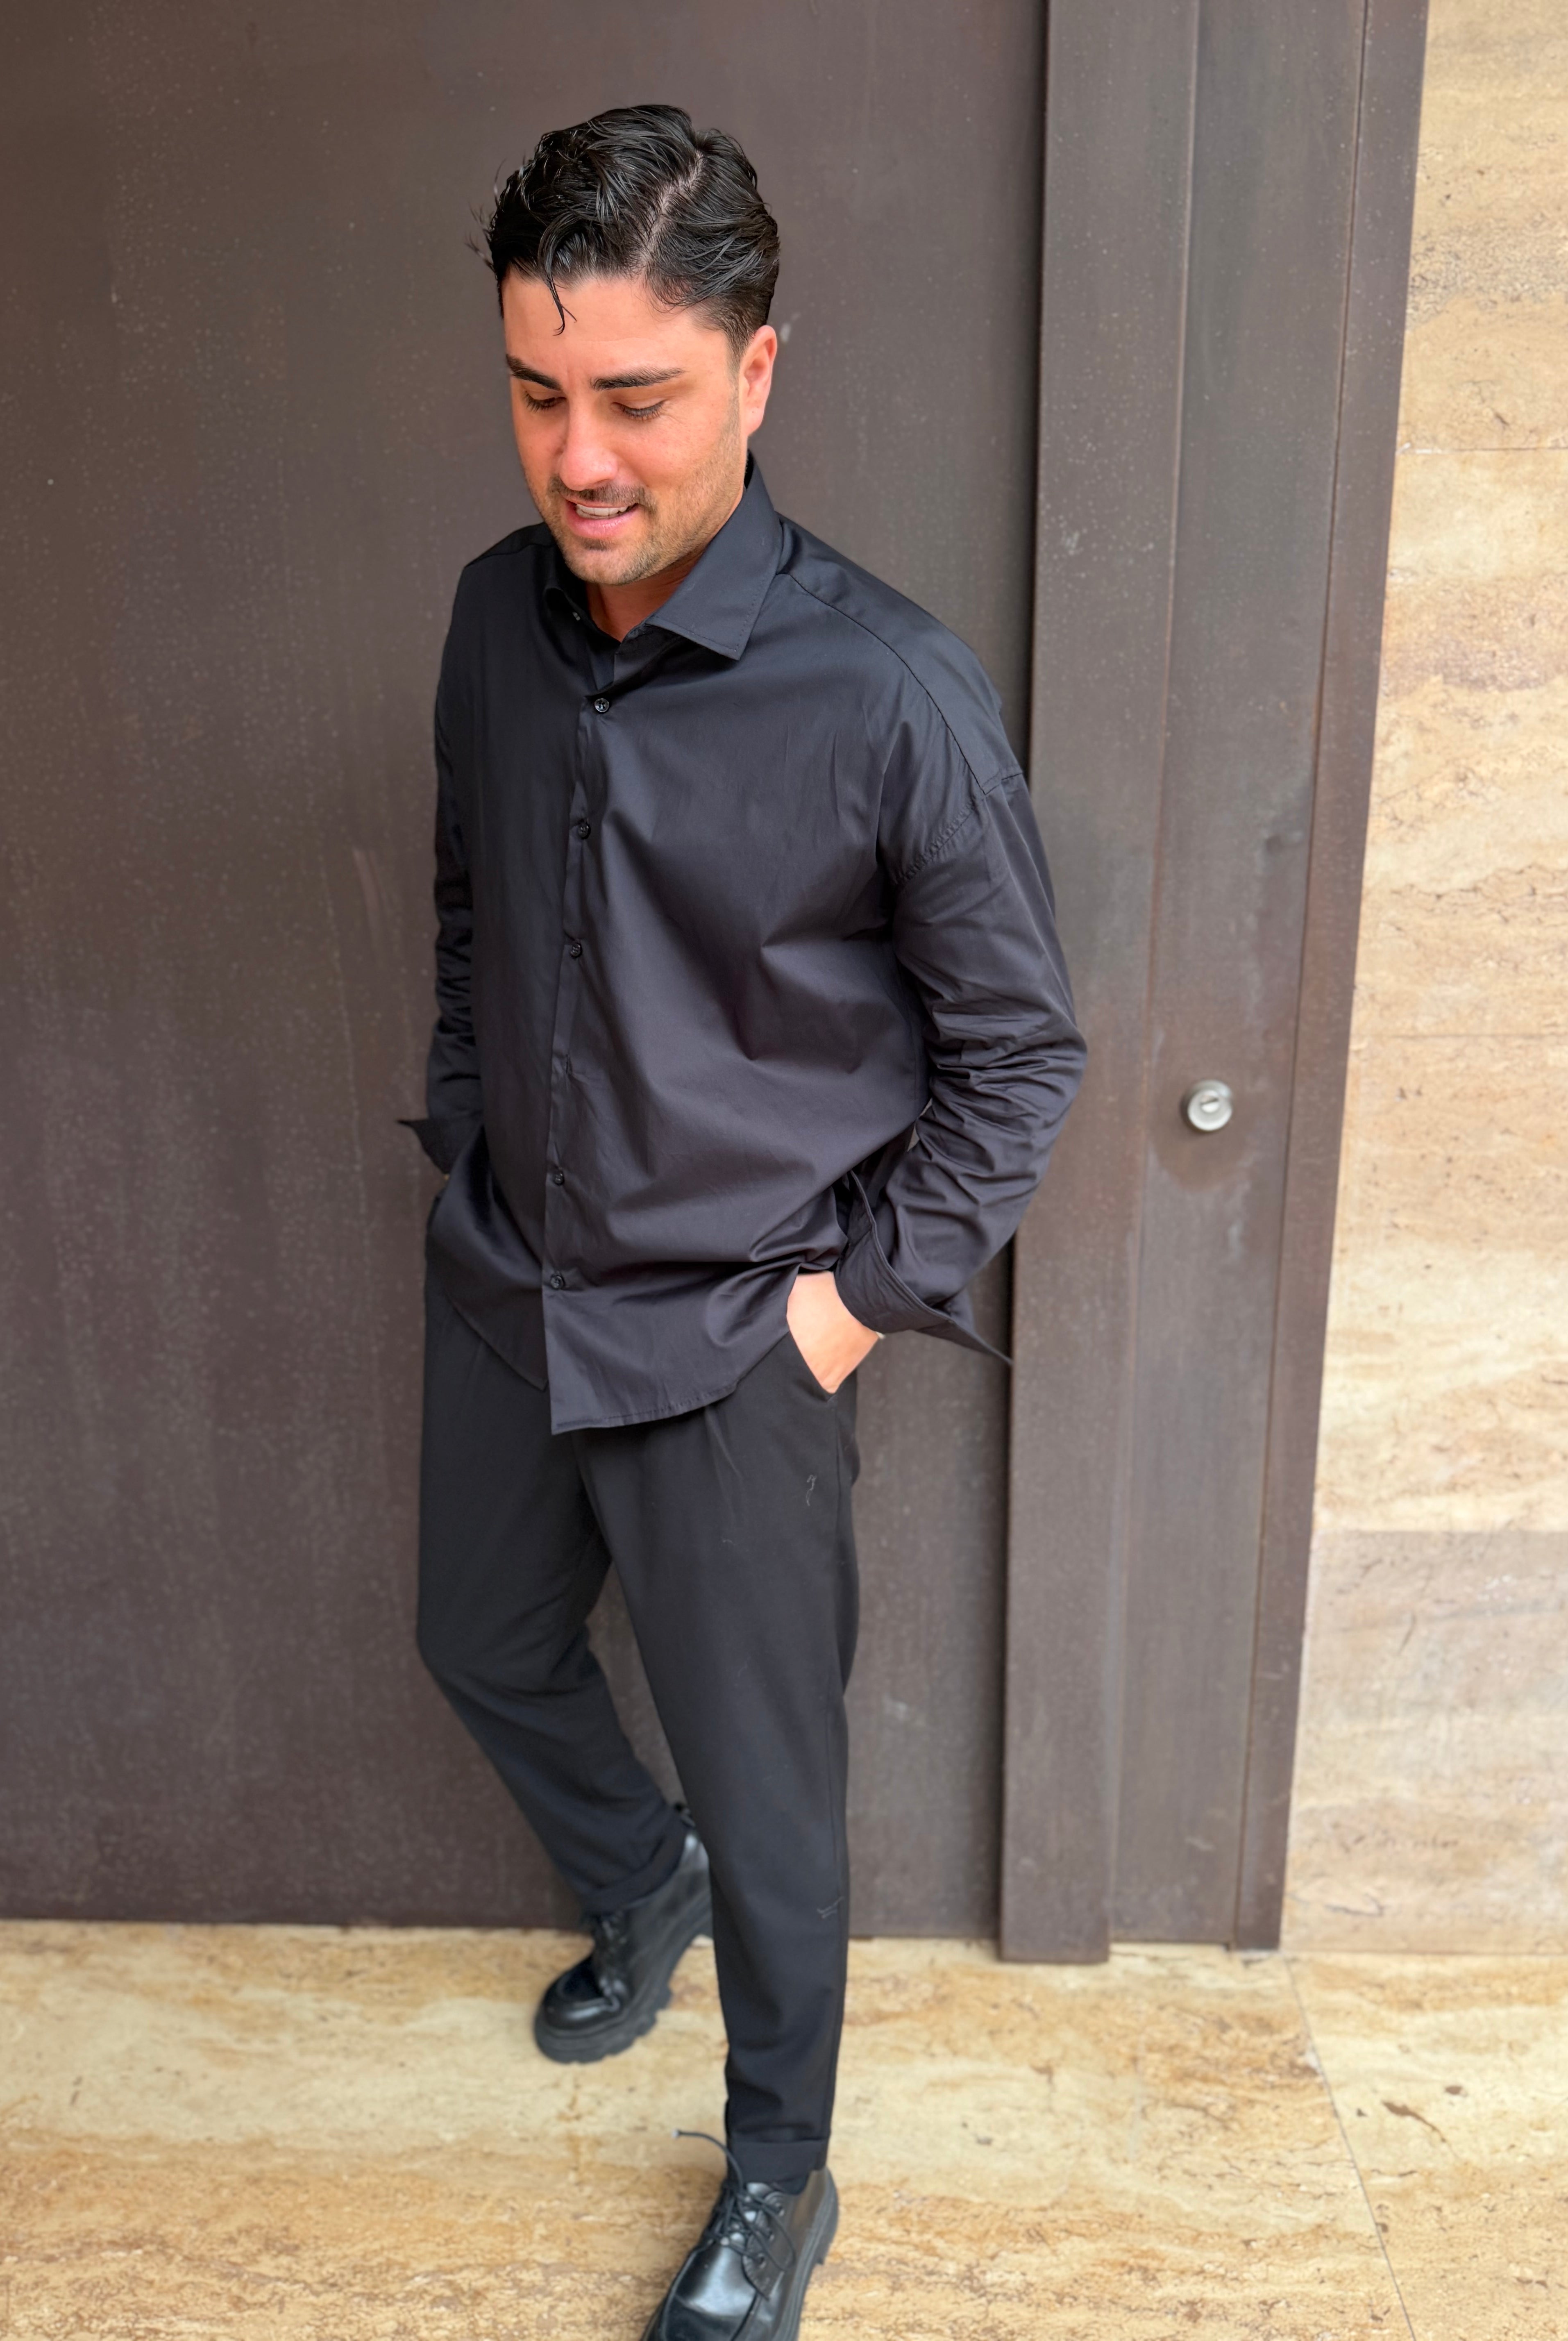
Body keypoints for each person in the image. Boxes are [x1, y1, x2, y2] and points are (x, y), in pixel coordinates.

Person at [408, 102, 1084, 2341]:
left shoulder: (891, 690)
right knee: (479, 1643)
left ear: (755, 371)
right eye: (536, 394)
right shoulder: (489, 620)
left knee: (778, 1806)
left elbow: (1020, 1061)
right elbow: (471, 909)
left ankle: (778, 2174)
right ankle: (638, 1876)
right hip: (513, 1285)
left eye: (635, 398)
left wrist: (839, 1316)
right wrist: (470, 1138)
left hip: (733, 1345)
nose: (577, 457)